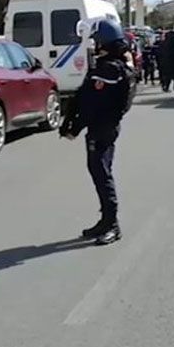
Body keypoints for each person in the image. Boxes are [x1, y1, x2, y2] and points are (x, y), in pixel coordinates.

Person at [60, 17, 135, 246]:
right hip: (105, 126)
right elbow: (84, 96)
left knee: (101, 173)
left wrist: (74, 128)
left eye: (95, 40)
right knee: (99, 171)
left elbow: (91, 105)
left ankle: (112, 224)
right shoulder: (112, 65)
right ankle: (105, 220)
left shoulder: (109, 70)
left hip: (103, 128)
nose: (93, 44)